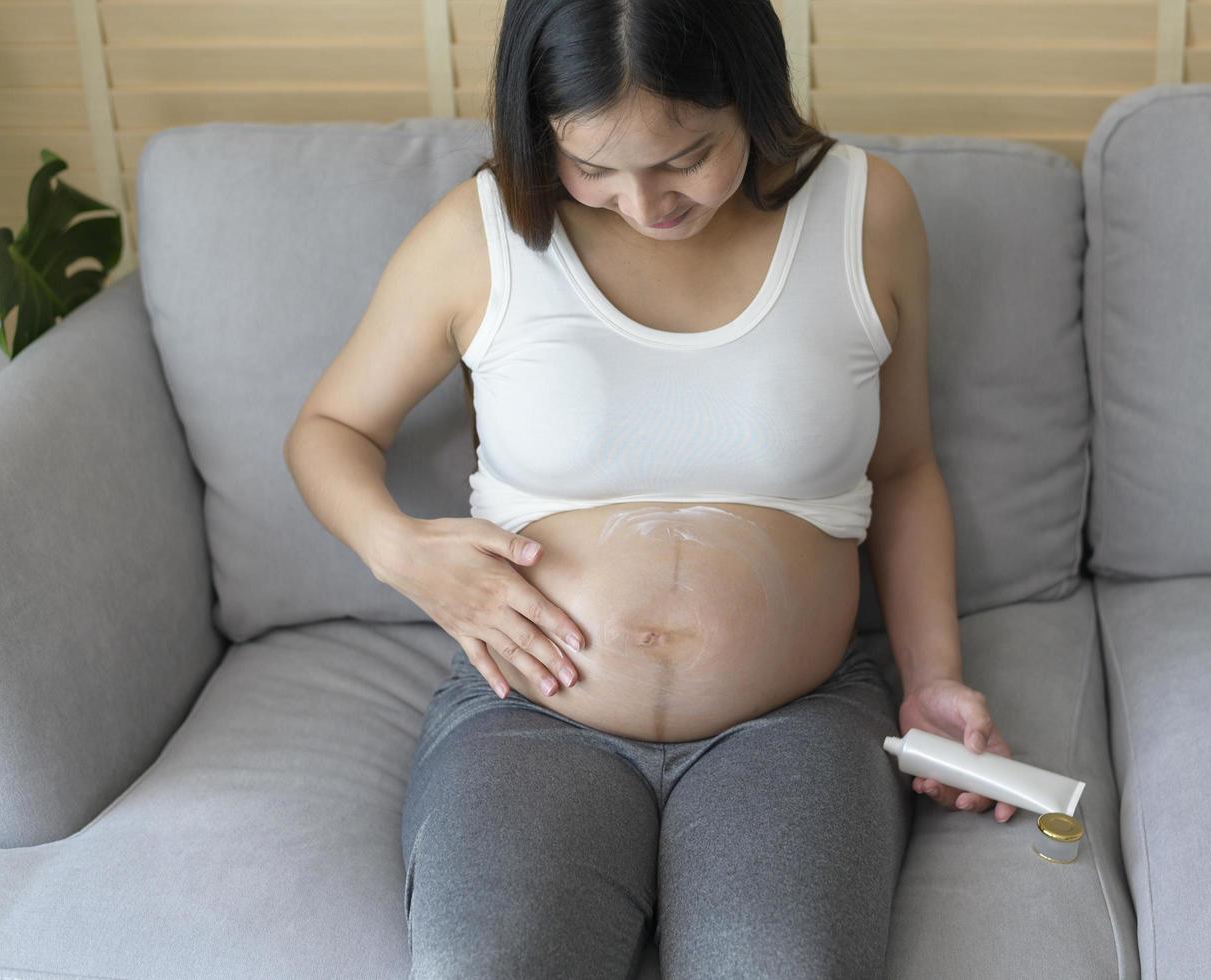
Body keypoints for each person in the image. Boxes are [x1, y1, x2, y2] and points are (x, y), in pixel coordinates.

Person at [285, 1, 1020, 977]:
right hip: (528, 708)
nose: (646, 205)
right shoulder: (482, 233)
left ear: (750, 95)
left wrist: (932, 674)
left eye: (686, 156)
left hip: (795, 714)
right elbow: (328, 430)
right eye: (592, 166)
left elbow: (904, 468)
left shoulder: (864, 211)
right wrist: (400, 548)